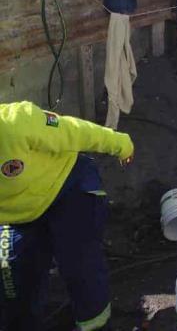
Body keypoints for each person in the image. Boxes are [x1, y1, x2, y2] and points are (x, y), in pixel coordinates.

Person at [0, 101, 134, 331]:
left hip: (68, 188)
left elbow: (73, 131)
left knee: (79, 263)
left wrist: (121, 144)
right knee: (11, 280)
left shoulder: (15, 122)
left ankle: (96, 326)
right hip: (18, 216)